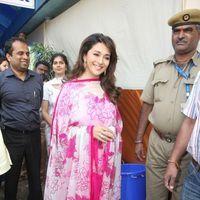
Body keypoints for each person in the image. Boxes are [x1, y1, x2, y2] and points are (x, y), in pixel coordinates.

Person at [44, 33, 122, 200]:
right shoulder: (69, 90)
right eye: (96, 54)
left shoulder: (108, 90)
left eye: (106, 57)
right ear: (84, 56)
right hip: (78, 172)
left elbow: (117, 125)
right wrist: (89, 132)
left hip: (105, 165)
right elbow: (60, 135)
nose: (101, 61)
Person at [135, 8, 200, 200]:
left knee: (183, 196)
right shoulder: (159, 67)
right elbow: (147, 104)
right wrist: (139, 139)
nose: (180, 36)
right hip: (158, 144)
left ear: (198, 33)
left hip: (189, 151)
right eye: (176, 31)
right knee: (154, 196)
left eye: (187, 30)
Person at [0, 37, 43, 199]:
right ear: (9, 57)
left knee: (35, 176)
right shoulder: (1, 80)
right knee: (11, 177)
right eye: (20, 53)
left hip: (33, 135)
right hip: (11, 137)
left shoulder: (37, 78)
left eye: (27, 53)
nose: (25, 57)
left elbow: (38, 103)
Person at [42, 53, 69, 154]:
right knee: (53, 157)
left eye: (61, 63)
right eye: (55, 63)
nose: (58, 65)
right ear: (52, 67)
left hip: (69, 128)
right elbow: (44, 111)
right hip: (52, 128)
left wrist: (65, 127)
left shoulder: (72, 84)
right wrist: (55, 126)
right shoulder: (47, 86)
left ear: (66, 66)